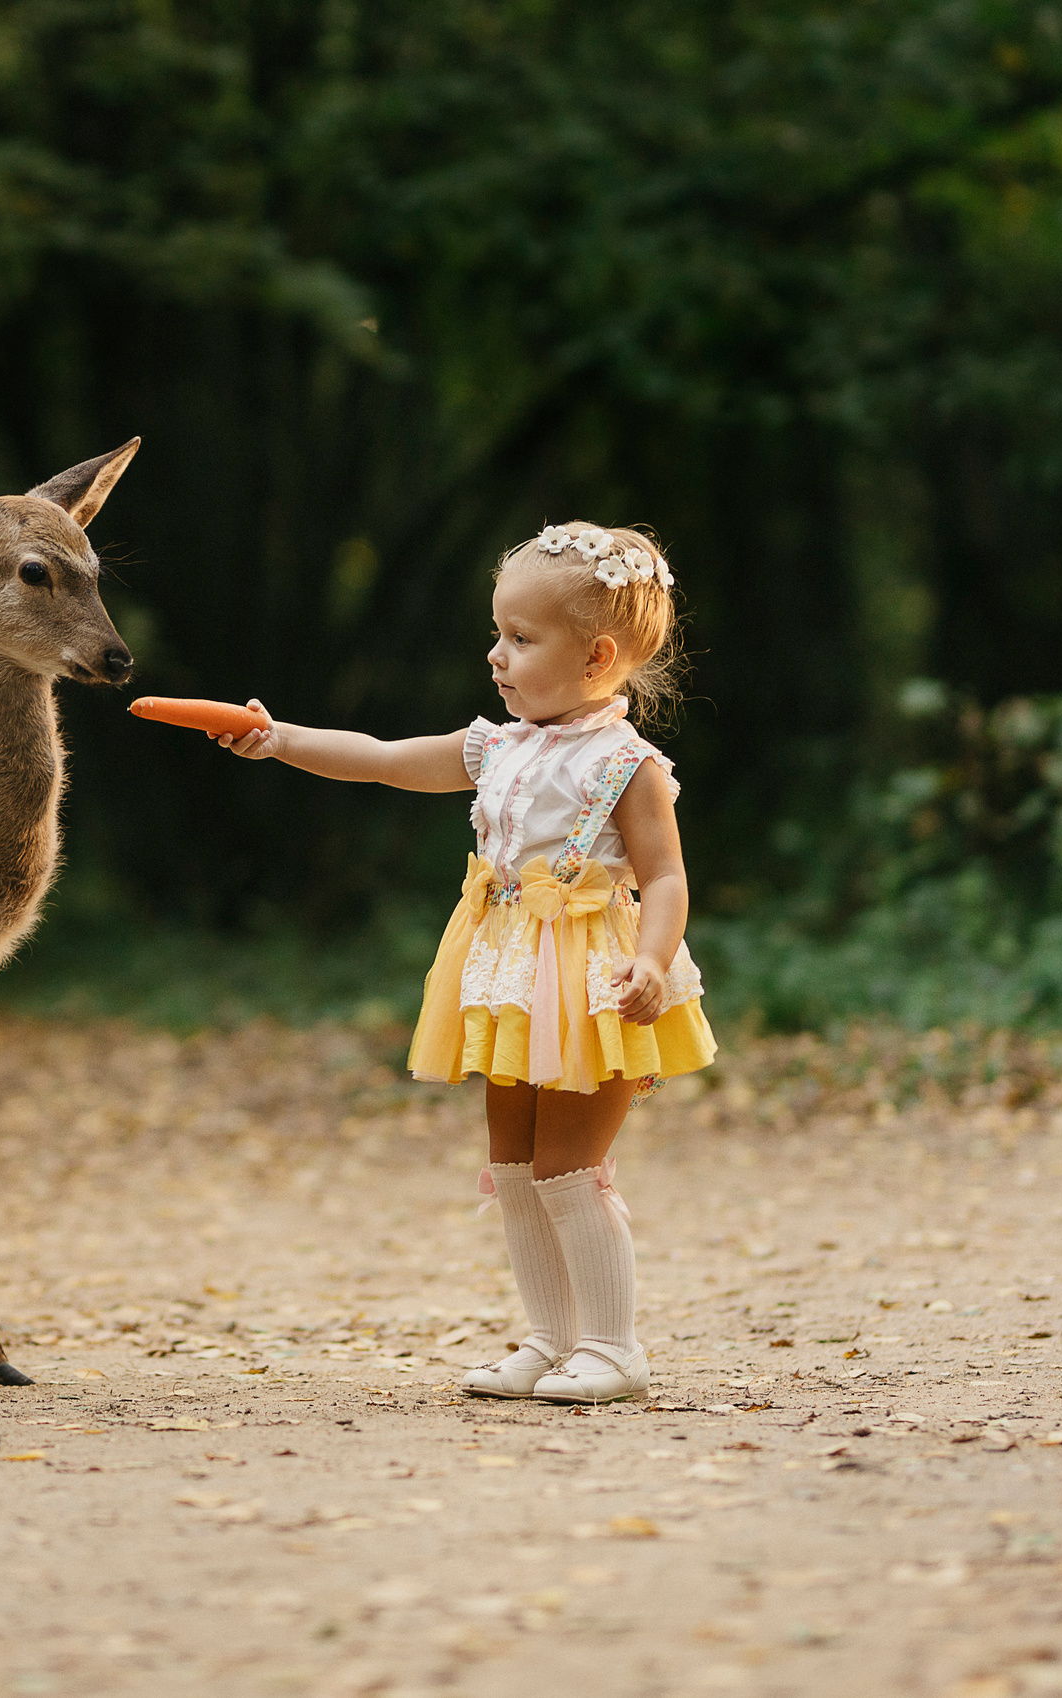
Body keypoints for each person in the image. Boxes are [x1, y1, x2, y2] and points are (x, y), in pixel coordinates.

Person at [211, 523, 717, 1405]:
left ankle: (612, 1344)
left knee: (569, 1165)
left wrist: (649, 958)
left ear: (597, 658)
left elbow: (666, 875)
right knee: (514, 1162)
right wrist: (280, 738)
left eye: (521, 640)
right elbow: (378, 760)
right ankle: (552, 1339)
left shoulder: (625, 765)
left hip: (590, 982)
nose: (496, 656)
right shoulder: (500, 746)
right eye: (498, 633)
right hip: (511, 978)